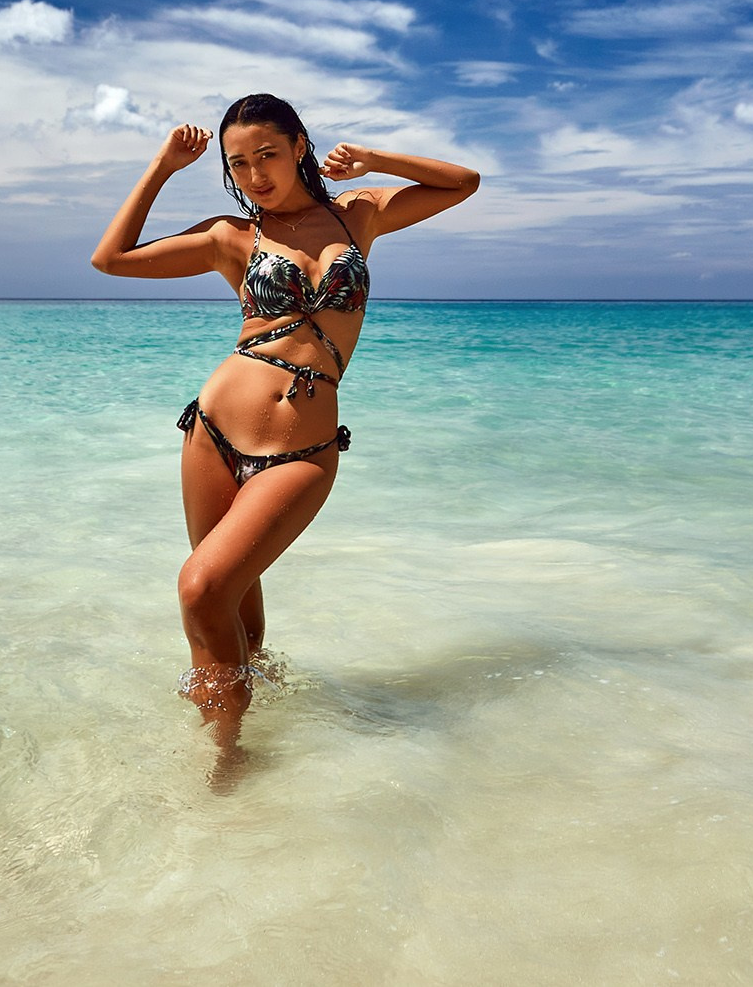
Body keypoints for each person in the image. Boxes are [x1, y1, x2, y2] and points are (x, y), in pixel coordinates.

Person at [89, 93, 480, 767]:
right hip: (214, 428)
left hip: (303, 445)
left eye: (267, 154)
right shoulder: (231, 237)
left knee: (202, 586)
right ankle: (228, 740)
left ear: (300, 145)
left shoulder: (359, 216)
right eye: (237, 164)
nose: (254, 174)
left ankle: (227, 756)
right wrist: (161, 167)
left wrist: (372, 160)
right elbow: (111, 259)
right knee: (230, 606)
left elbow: (463, 183)